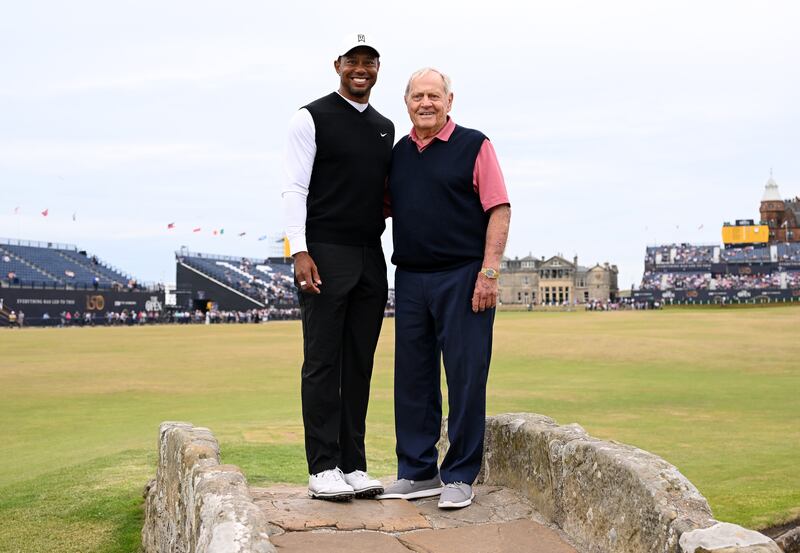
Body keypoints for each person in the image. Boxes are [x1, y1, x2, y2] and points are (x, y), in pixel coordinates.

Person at [378, 68, 511, 509]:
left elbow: (499, 208)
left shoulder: (475, 145)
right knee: (412, 379)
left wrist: (489, 273)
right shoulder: (397, 154)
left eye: (434, 95)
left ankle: (459, 475)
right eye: (418, 96)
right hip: (412, 278)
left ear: (449, 101)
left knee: (466, 376)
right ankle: (417, 473)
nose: (426, 103)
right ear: (406, 102)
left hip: (464, 276)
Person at [281, 33, 394, 501]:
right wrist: (298, 251)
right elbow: (294, 189)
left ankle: (353, 464)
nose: (361, 68)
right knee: (323, 362)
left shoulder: (386, 127)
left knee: (359, 364)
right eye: (353, 60)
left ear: (377, 68)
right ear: (338, 65)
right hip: (323, 252)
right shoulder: (310, 117)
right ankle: (322, 465)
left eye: (369, 61)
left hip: (371, 254)